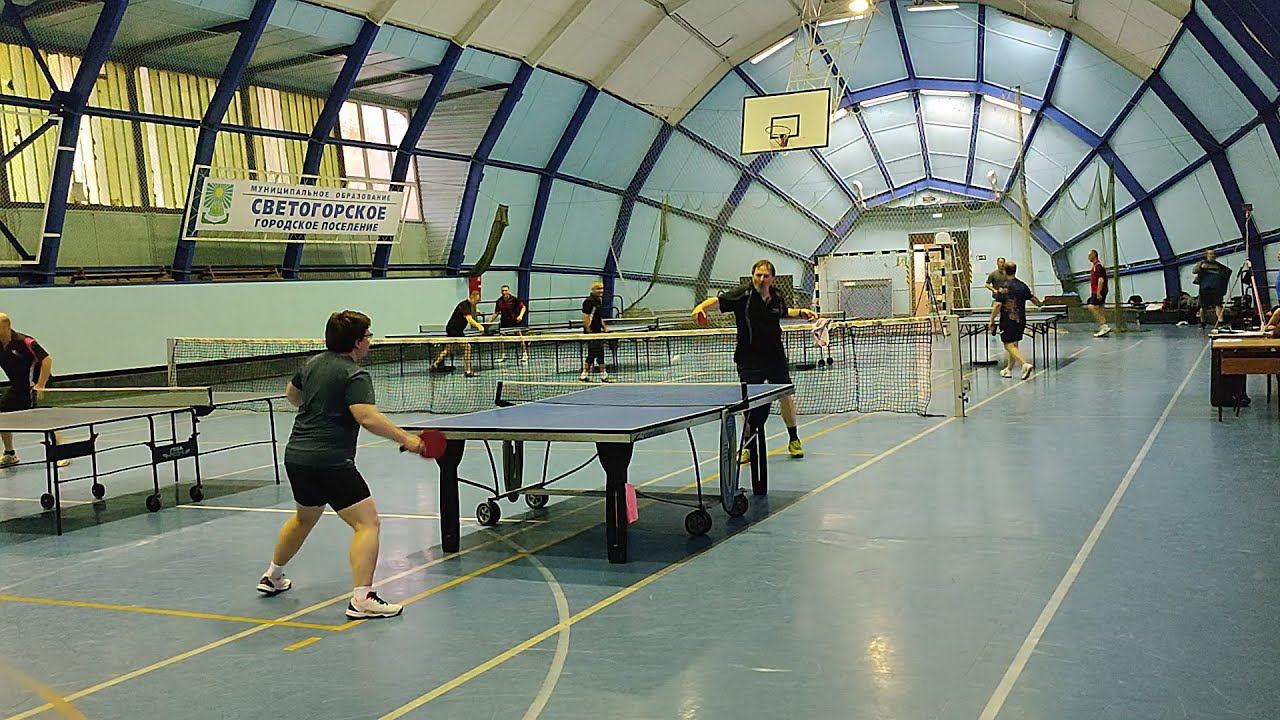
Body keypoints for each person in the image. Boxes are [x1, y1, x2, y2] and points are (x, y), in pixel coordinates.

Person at [257, 310, 422, 619]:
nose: (370, 340)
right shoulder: (354, 375)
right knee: (368, 523)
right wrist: (407, 439)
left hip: (297, 456)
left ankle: (273, 575)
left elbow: (292, 395)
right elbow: (367, 417)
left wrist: (319, 406)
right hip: (330, 461)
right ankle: (362, 598)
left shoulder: (312, 364)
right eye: (368, 336)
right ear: (357, 342)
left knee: (304, 518)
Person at [691, 260, 818, 459]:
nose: (761, 279)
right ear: (753, 276)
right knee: (748, 402)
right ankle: (748, 447)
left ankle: (794, 439)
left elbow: (784, 312)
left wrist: (801, 312)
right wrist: (700, 308)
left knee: (786, 394)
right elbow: (717, 301)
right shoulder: (743, 295)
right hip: (748, 358)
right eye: (758, 275)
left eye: (765, 276)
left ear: (772, 278)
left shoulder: (776, 296)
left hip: (775, 356)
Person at [0, 314, 68, 468]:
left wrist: (41, 385)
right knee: (2, 415)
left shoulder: (25, 342)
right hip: (18, 386)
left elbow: (47, 360)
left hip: (37, 385)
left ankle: (61, 453)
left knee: (45, 418)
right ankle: (10, 454)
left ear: (6, 327)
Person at [988, 261, 1042, 380]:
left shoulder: (1003, 287)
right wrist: (1040, 304)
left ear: (1005, 271)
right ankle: (1009, 370)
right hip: (1020, 320)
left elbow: (997, 305)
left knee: (1008, 345)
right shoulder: (1022, 286)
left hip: (1008, 321)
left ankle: (1024, 364)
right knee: (1014, 345)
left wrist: (991, 320)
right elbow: (1032, 298)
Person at [431, 289, 484, 377]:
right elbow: (469, 319)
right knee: (467, 347)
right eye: (477, 300)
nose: (477, 302)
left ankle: (435, 364)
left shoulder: (469, 306)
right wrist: (479, 326)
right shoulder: (465, 305)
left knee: (448, 349)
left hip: (453, 329)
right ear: (473, 297)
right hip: (455, 330)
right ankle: (467, 371)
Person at [580, 281, 613, 382]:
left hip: (598, 332)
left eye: (602, 289)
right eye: (598, 289)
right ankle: (603, 375)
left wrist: (604, 327)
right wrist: (589, 331)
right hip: (591, 332)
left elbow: (598, 317)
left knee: (592, 353)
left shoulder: (599, 301)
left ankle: (584, 375)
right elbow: (586, 317)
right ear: (593, 290)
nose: (601, 291)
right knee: (599, 352)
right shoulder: (588, 301)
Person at [1192, 249, 1231, 329]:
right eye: (1210, 254)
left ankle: (1220, 321)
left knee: (1218, 305)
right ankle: (1202, 322)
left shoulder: (1218, 266)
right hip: (1205, 289)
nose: (1213, 255)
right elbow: (1194, 271)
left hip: (1216, 288)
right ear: (1206, 255)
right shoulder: (1202, 263)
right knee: (1203, 307)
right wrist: (1200, 267)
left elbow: (1225, 274)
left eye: (1213, 254)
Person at [494, 284, 529, 365]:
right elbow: (496, 313)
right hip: (504, 322)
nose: (504, 292)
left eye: (505, 290)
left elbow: (523, 307)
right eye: (503, 291)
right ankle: (503, 355)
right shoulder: (499, 301)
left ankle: (524, 354)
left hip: (514, 321)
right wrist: (488, 323)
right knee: (501, 338)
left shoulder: (514, 299)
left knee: (520, 337)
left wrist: (520, 316)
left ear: (508, 291)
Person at [1085, 249, 1111, 337]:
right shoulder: (1095, 266)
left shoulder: (1098, 266)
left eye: (1090, 255)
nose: (1088, 257)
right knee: (1100, 308)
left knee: (1091, 306)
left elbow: (1101, 280)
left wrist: (1098, 292)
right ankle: (1104, 326)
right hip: (1097, 291)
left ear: (1094, 255)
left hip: (1098, 291)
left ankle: (1104, 326)